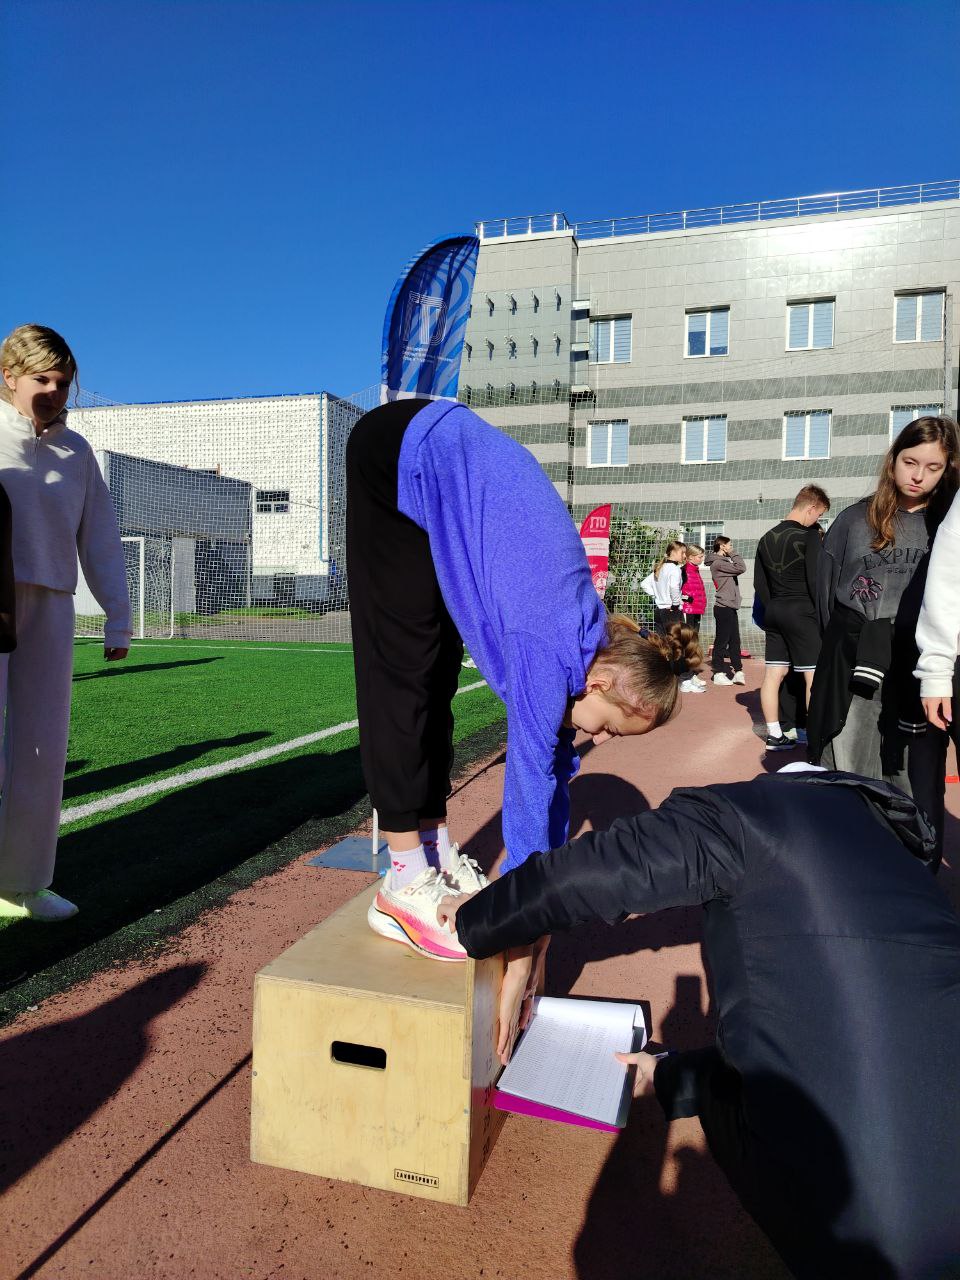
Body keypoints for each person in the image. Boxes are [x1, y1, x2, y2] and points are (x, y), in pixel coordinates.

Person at [441, 767, 960, 1279]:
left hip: (874, 1242)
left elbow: (597, 871)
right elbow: (841, 1031)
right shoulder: (898, 860)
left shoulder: (747, 816)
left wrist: (475, 919)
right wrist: (670, 1077)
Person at [346, 397, 700, 1063]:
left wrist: (535, 928)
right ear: (602, 683)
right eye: (613, 731)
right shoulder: (549, 643)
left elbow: (556, 784)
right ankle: (402, 881)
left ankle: (433, 850)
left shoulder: (587, 648)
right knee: (404, 671)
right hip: (397, 454)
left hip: (446, 463)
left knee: (434, 675)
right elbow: (530, 781)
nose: (601, 741)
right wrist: (519, 949)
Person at [0, 324, 131, 922]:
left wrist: (117, 618)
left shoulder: (77, 452)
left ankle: (23, 884)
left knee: (42, 747)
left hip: (51, 603)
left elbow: (99, 537)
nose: (53, 392)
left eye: (63, 382)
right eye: (41, 379)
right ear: (9, 376)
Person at [807, 417, 960, 863]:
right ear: (893, 460)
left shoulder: (947, 522)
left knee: (916, 773)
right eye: (910, 462)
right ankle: (855, 867)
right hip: (858, 665)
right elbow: (826, 599)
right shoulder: (854, 520)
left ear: (947, 469)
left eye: (933, 467)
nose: (918, 476)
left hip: (922, 669)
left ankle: (917, 870)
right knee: (852, 762)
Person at [754, 485, 830, 751]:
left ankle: (775, 735)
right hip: (802, 611)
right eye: (819, 515)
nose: (817, 520)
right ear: (811, 508)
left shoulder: (766, 538)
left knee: (774, 673)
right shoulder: (808, 536)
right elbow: (815, 580)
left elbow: (760, 583)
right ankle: (816, 737)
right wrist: (821, 614)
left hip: (774, 610)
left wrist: (773, 606)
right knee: (813, 676)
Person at [704, 536, 745, 686]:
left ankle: (738, 671)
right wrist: (732, 553)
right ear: (722, 546)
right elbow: (741, 567)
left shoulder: (724, 562)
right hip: (723, 607)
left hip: (730, 606)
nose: (731, 547)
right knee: (722, 641)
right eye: (730, 545)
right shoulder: (718, 563)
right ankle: (718, 673)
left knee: (735, 640)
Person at [679, 543, 707, 694]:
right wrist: (685, 598)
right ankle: (685, 677)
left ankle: (690, 674)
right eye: (699, 556)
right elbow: (677, 589)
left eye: (702, 556)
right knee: (688, 643)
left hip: (697, 610)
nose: (702, 559)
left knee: (694, 643)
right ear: (690, 557)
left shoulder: (696, 570)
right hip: (688, 610)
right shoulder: (683, 571)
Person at [650, 540, 685, 636]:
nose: (684, 556)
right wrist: (675, 605)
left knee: (662, 641)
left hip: (659, 610)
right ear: (673, 552)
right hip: (671, 611)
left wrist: (657, 596)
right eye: (682, 553)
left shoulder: (660, 567)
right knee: (676, 641)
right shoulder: (675, 569)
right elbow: (674, 587)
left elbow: (645, 584)